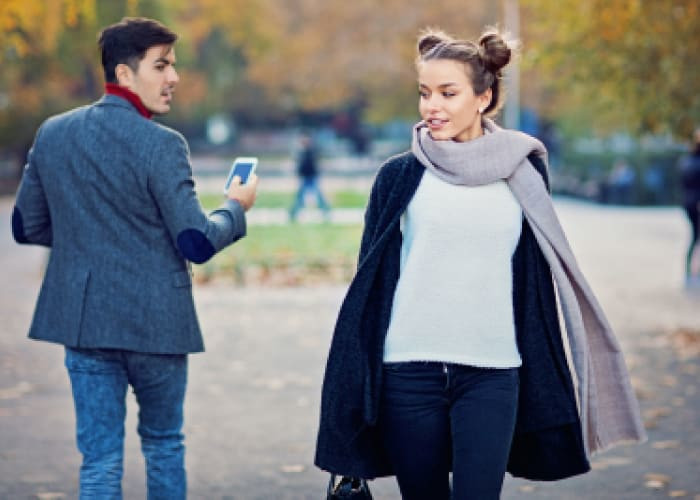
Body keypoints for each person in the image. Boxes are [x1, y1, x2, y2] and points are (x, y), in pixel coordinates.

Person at [315, 27, 645, 499]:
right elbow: (370, 287)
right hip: (408, 371)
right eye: (425, 93)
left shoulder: (522, 172)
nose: (433, 106)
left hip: (493, 373)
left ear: (483, 98)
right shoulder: (400, 176)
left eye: (448, 93)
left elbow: (532, 282)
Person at [11, 17, 258, 499]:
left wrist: (88, 236)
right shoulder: (163, 145)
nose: (174, 78)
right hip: (156, 324)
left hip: (84, 321)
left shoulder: (54, 132)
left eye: (174, 65)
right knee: (164, 445)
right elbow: (196, 242)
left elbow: (26, 226)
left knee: (99, 461)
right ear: (124, 75)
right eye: (162, 65)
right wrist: (236, 207)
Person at [289, 133, 330, 221]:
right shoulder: (301, 152)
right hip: (305, 178)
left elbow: (314, 164)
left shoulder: (312, 151)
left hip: (312, 177)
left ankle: (326, 211)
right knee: (300, 197)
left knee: (318, 196)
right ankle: (293, 212)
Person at [679, 127, 700, 287]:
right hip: (696, 204)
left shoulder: (686, 161)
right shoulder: (693, 163)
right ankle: (691, 274)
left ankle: (689, 274)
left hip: (689, 203)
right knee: (695, 238)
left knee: (694, 238)